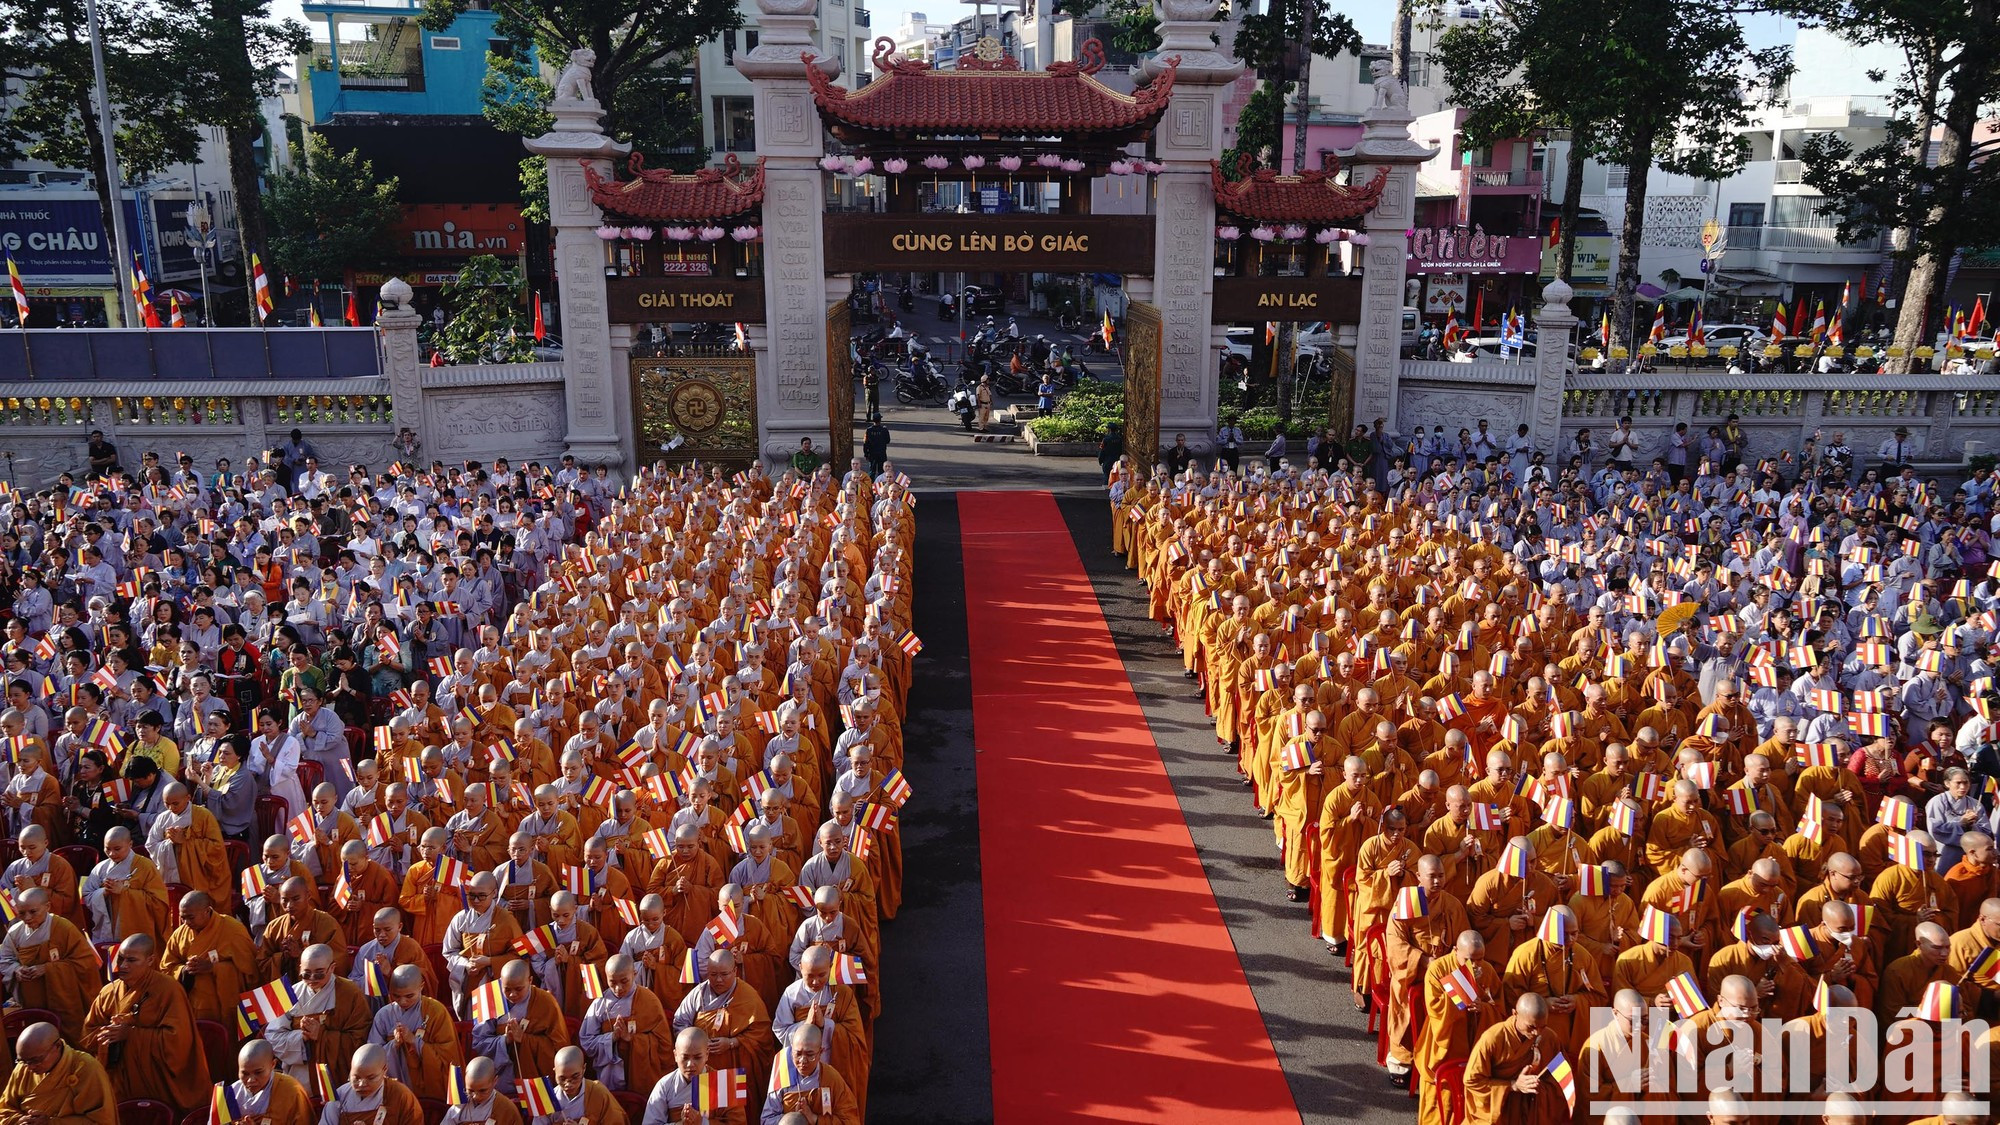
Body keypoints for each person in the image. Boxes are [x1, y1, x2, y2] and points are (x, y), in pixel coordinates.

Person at [82, 934, 210, 1113]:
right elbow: (88, 1034)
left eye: (132, 960)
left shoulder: (169, 990)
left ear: (150, 960)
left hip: (158, 1080)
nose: (124, 965)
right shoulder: (108, 991)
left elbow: (179, 1042)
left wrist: (130, 1034)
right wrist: (107, 1033)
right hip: (119, 1078)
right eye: (121, 958)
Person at [0, 1022, 116, 1125]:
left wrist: (51, 1122)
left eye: (36, 1060)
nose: (30, 1067)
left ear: (57, 1046)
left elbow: (102, 1121)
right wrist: (20, 1121)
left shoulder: (85, 1067)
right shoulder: (23, 1067)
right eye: (23, 1061)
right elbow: (4, 1110)